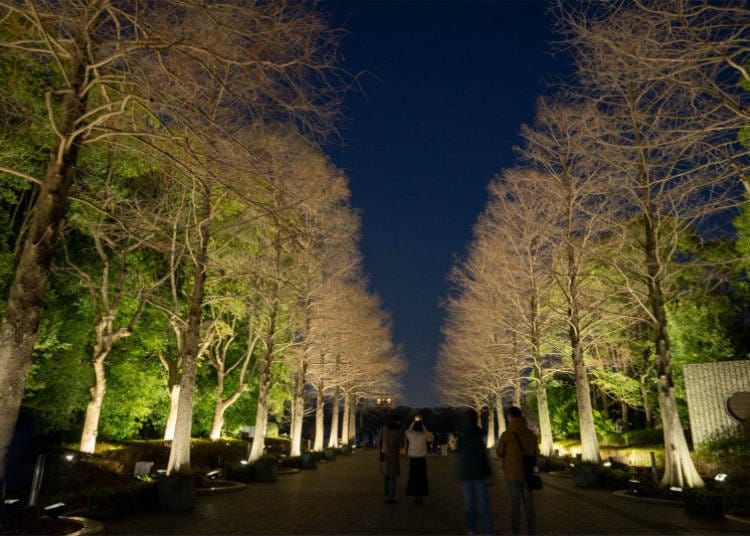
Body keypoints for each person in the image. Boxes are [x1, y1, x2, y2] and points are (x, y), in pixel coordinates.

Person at [496, 406, 539, 535]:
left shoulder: (506, 435)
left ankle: (516, 532)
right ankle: (532, 531)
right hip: (527, 473)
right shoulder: (530, 434)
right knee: (529, 504)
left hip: (512, 474)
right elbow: (536, 452)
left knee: (515, 504)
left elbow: (499, 452)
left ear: (510, 417)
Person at [456, 408, 492, 535]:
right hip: (479, 471)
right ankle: (486, 531)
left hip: (466, 472)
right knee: (483, 504)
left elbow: (459, 451)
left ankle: (471, 530)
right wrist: (488, 471)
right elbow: (482, 454)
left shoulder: (460, 433)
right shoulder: (479, 433)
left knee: (469, 504)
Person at [404, 415, 431, 504]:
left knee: (413, 478)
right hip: (421, 458)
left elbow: (407, 431)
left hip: (413, 458)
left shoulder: (411, 435)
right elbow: (427, 433)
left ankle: (415, 496)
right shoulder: (424, 435)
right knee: (422, 478)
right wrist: (421, 424)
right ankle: (421, 496)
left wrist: (414, 422)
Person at [379, 414, 404, 504]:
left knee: (386, 475)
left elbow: (380, 441)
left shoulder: (384, 428)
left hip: (385, 454)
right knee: (393, 477)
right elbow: (400, 442)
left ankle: (386, 495)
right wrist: (402, 452)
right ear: (398, 421)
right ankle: (391, 496)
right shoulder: (399, 430)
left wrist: (381, 452)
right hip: (393, 454)